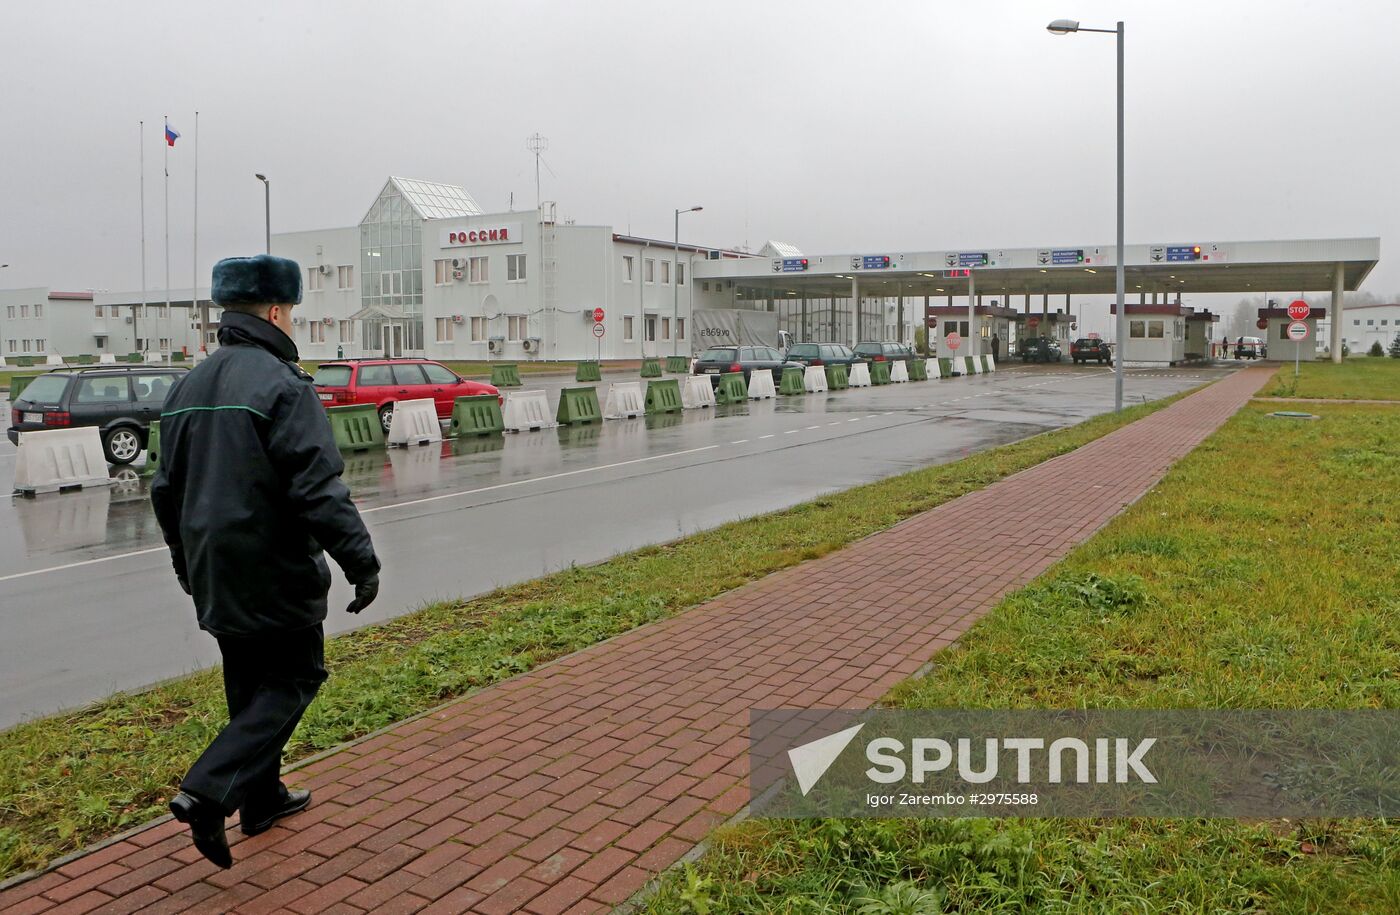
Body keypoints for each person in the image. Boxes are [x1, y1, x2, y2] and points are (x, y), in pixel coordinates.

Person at [151, 255, 381, 869]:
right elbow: (317, 488)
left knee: (247, 684)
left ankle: (262, 799)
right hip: (274, 567)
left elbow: (164, 492)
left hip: (212, 568)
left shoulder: (187, 386)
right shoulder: (283, 384)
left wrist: (186, 565)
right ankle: (207, 792)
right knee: (295, 678)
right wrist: (361, 561)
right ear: (278, 311)